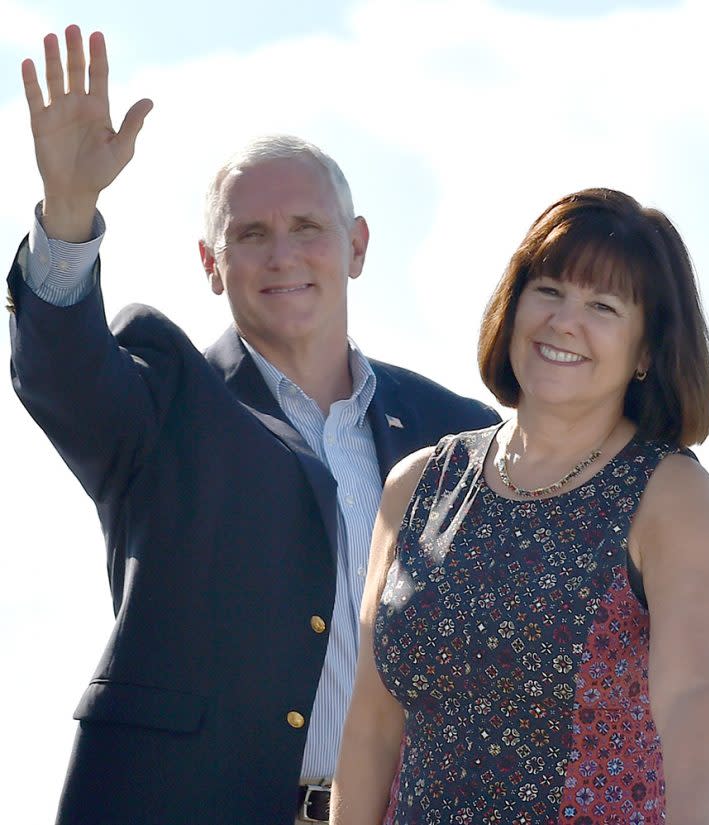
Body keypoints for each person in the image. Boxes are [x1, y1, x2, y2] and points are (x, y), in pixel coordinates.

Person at [7, 26, 500, 825]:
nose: (282, 255)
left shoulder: (458, 435)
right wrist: (67, 212)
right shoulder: (164, 397)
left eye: (307, 227)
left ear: (357, 246)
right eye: (250, 235)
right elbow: (60, 372)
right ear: (210, 263)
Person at [332, 188, 709, 825]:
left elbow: (692, 701)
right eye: (548, 290)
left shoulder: (670, 492)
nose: (565, 322)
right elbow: (372, 723)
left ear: (647, 352)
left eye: (602, 305)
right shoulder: (415, 484)